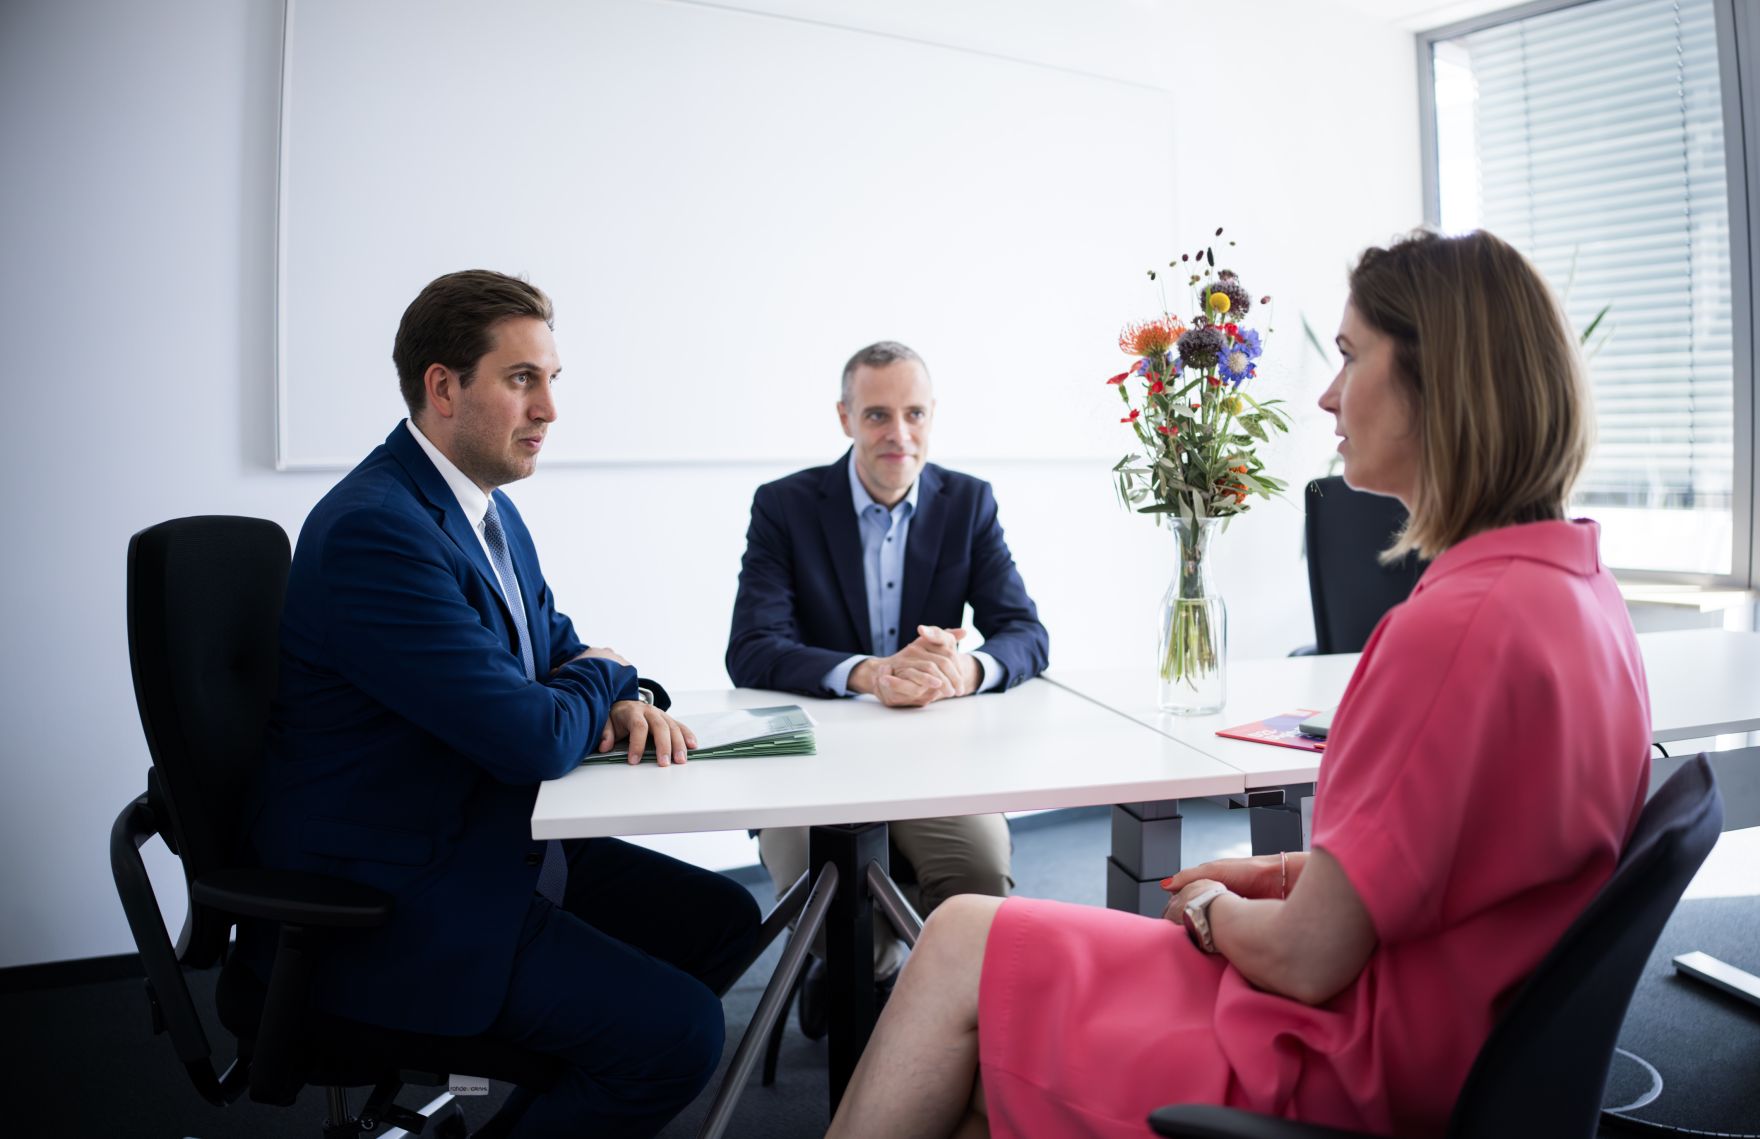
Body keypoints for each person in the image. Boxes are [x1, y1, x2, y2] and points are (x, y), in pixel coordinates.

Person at [824, 231, 1653, 1139]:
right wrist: (1277, 871)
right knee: (969, 1074)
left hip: (1347, 1058)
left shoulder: (1448, 632)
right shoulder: (1580, 593)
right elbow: (1455, 863)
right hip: (1462, 1043)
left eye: (1348, 355)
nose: (1329, 393)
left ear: (1437, 380)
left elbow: (1307, 957)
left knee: (955, 944)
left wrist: (1216, 912)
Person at [247, 270, 760, 1139]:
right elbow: (531, 735)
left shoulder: (481, 505)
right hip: (403, 896)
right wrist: (609, 670)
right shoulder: (378, 531)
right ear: (443, 388)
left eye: (552, 379)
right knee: (680, 1035)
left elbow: (556, 648)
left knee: (724, 920)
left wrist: (620, 688)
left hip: (487, 838)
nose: (549, 408)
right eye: (523, 379)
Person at [725, 340, 1050, 1032]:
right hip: (813, 758)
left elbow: (1025, 632)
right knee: (835, 921)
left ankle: (930, 1011)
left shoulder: (968, 503)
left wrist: (966, 669)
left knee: (982, 876)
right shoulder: (785, 507)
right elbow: (751, 649)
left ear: (932, 416)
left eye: (914, 414)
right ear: (844, 417)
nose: (898, 435)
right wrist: (871, 673)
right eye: (877, 415)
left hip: (931, 756)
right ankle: (863, 974)